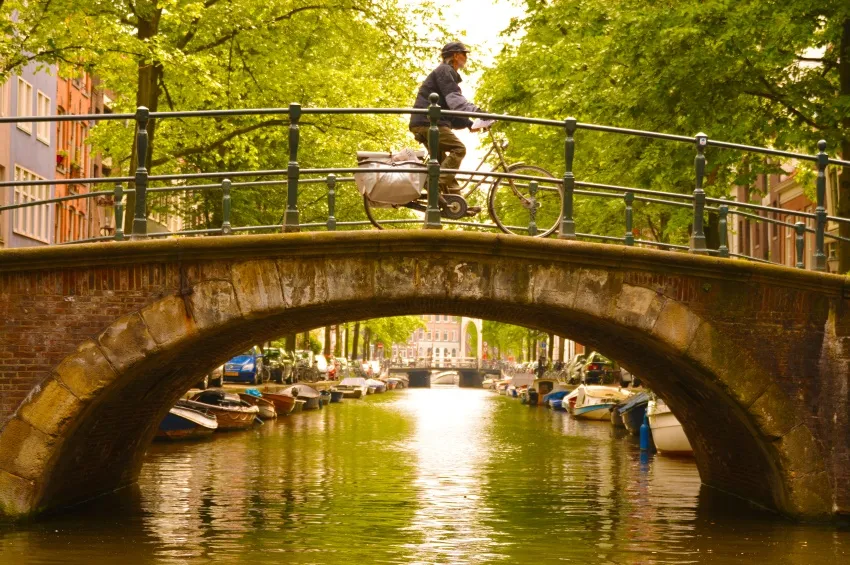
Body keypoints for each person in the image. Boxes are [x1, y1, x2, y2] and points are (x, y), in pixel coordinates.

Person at [409, 41, 484, 194]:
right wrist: (479, 112)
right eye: (464, 54)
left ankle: (456, 204)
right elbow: (455, 100)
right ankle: (433, 185)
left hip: (426, 121)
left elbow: (449, 110)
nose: (466, 57)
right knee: (459, 149)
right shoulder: (444, 71)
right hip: (428, 122)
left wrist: (469, 124)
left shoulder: (446, 73)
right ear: (456, 55)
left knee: (443, 164)